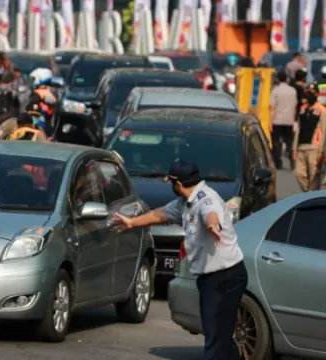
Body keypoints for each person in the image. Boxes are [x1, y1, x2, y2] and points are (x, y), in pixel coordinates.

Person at [112, 160, 247, 360]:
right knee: (219, 334)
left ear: (178, 184)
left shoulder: (206, 199)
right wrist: (132, 222)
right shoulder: (185, 202)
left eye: (171, 183)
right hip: (210, 278)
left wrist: (212, 226)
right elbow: (160, 214)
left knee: (215, 336)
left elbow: (211, 214)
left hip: (225, 278)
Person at [293, 83, 326, 191]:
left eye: (312, 93)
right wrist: (294, 148)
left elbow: (324, 131)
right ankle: (307, 193)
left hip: (314, 148)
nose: (309, 95)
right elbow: (298, 129)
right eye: (308, 93)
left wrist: (321, 151)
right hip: (301, 146)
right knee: (299, 174)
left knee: (314, 175)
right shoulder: (303, 109)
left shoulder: (322, 110)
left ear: (316, 94)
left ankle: (311, 196)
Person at [269, 71, 298, 169]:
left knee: (276, 142)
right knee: (289, 141)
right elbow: (294, 107)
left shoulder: (275, 91)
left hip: (277, 120)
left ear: (278, 79)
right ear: (286, 79)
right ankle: (292, 159)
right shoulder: (293, 91)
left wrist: (270, 122)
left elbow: (272, 108)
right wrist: (294, 120)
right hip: (289, 120)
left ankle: (278, 162)